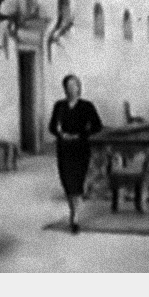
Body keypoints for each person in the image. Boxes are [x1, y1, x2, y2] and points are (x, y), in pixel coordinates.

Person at [48, 74, 103, 233]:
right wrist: (61, 134)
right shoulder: (59, 106)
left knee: (77, 183)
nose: (71, 89)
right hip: (64, 149)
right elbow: (52, 126)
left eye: (74, 86)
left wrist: (81, 135)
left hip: (80, 149)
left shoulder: (86, 106)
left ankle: (75, 216)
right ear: (64, 88)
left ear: (79, 88)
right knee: (67, 182)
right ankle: (73, 210)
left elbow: (97, 126)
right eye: (68, 86)